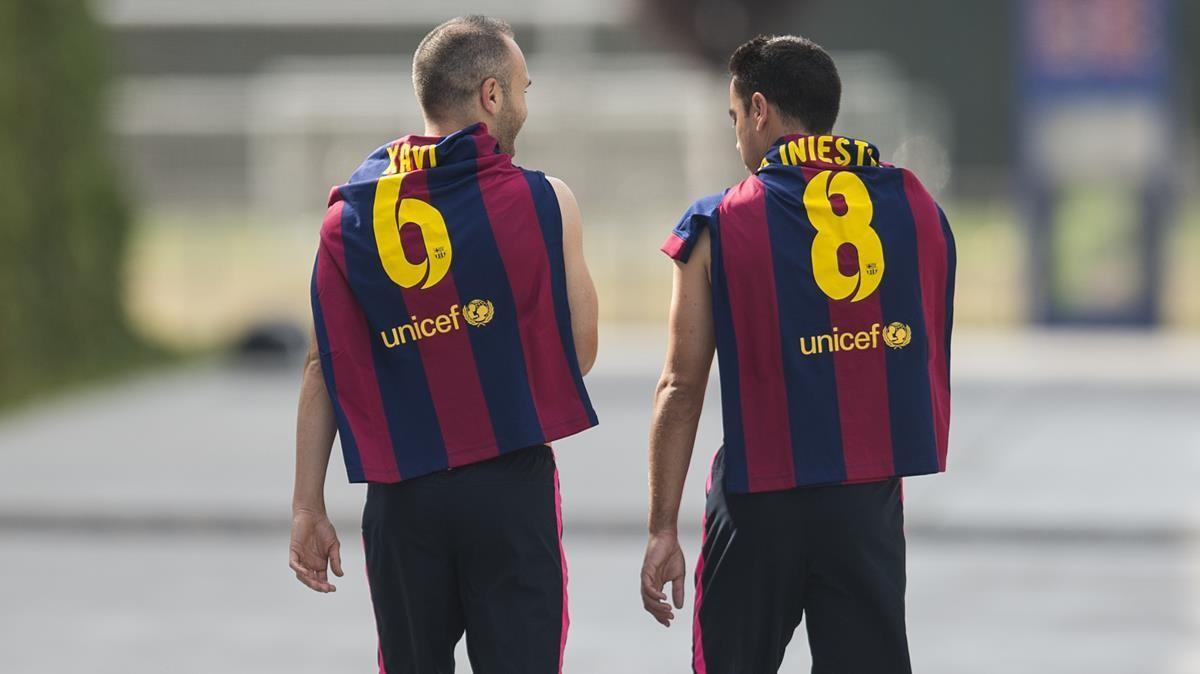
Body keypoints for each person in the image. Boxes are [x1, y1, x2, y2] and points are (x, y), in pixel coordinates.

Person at [289, 16, 599, 674]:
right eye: (522, 86)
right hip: (510, 485)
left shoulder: (346, 218)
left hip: (405, 498)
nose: (525, 100)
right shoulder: (547, 199)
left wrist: (307, 506)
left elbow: (323, 367)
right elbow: (581, 352)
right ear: (491, 95)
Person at [640, 34, 956, 673]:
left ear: (760, 111)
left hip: (759, 501)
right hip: (865, 499)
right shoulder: (915, 203)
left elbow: (680, 383)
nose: (736, 140)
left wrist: (661, 529)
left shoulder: (716, 224)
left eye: (734, 120)